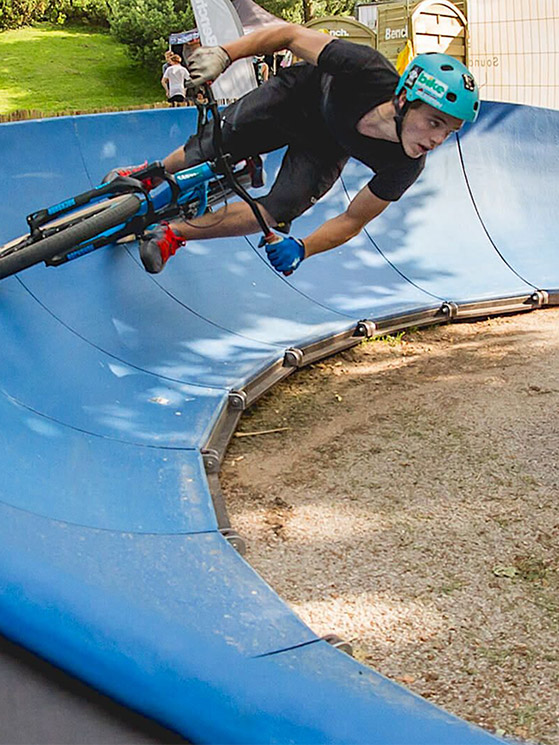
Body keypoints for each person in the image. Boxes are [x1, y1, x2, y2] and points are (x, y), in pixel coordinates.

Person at [108, 24, 479, 274]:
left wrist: (303, 248)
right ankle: (151, 173)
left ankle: (174, 234)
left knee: (278, 210)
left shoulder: (406, 165)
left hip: (324, 146)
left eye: (450, 131)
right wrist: (224, 54)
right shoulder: (366, 69)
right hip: (297, 98)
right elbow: (289, 35)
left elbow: (353, 220)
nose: (437, 140)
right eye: (434, 122)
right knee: (213, 145)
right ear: (404, 101)